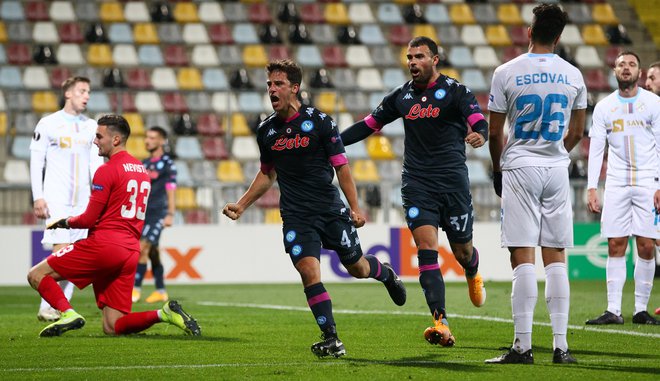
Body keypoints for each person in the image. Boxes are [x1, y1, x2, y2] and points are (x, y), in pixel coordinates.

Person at [222, 60, 406, 358]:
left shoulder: (320, 122)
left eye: (278, 84)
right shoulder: (266, 131)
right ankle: (331, 338)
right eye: (269, 84)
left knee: (357, 268)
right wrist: (242, 205)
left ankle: (385, 274)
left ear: (294, 88)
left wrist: (355, 208)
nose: (271, 89)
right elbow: (268, 173)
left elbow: (342, 168)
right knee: (309, 271)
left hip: (330, 211)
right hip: (296, 216)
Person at [340, 36, 488, 347]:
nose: (412, 62)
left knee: (462, 252)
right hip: (417, 184)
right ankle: (440, 321)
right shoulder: (402, 96)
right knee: (426, 250)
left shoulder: (455, 91)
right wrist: (332, 142)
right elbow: (369, 124)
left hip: (453, 184)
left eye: (419, 56)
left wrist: (480, 135)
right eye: (409, 57)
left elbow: (477, 119)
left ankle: (472, 270)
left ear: (435, 60)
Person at [27, 115, 200, 337]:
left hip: (105, 245)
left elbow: (88, 220)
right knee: (113, 326)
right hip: (129, 251)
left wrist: (66, 222)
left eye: (99, 136)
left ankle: (67, 313)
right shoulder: (141, 170)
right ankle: (163, 314)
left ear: (116, 139)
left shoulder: (106, 170)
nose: (95, 141)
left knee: (37, 275)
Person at [486, 4, 586, 364]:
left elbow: (495, 132)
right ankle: (561, 347)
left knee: (522, 253)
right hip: (556, 168)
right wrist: (557, 151)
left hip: (521, 166)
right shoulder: (574, 75)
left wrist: (498, 167)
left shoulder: (506, 72)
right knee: (556, 255)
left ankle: (523, 346)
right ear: (559, 37)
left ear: (530, 32)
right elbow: (577, 131)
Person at [584, 51, 660, 326]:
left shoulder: (654, 103)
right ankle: (613, 309)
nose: (626, 69)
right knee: (615, 243)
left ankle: (641, 309)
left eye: (631, 65)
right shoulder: (604, 107)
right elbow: (596, 149)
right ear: (614, 70)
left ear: (639, 72)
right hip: (615, 183)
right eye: (621, 65)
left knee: (646, 245)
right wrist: (592, 187)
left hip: (648, 182)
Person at [29, 76, 104, 322]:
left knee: (75, 257)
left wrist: (99, 196)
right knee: (62, 253)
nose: (87, 96)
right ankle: (49, 306)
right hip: (56, 200)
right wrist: (38, 196)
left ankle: (60, 308)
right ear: (68, 93)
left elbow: (96, 163)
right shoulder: (48, 123)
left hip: (83, 201)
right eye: (82, 91)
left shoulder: (91, 125)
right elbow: (36, 160)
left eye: (89, 92)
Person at [132, 126, 176, 304]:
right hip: (143, 213)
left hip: (159, 213)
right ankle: (160, 290)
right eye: (146, 137)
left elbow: (171, 189)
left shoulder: (167, 163)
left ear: (160, 141)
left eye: (151, 138)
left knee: (142, 248)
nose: (147, 141)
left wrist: (170, 214)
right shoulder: (143, 163)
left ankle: (135, 290)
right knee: (153, 252)